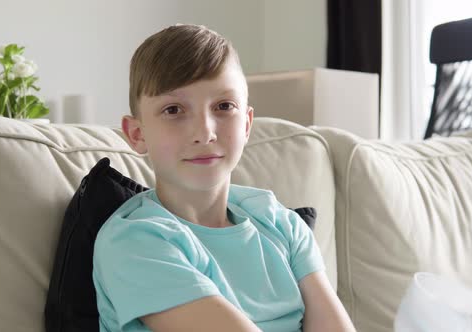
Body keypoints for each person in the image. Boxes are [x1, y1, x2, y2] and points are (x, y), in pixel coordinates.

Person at [92, 24, 356, 332]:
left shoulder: (278, 222)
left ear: (246, 125)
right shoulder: (134, 240)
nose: (205, 132)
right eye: (174, 109)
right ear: (137, 134)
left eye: (223, 106)